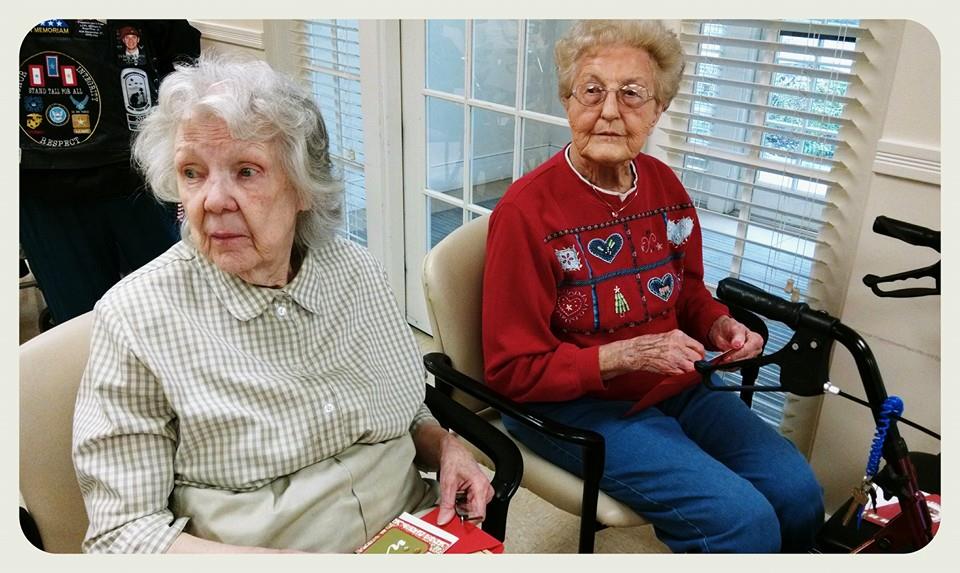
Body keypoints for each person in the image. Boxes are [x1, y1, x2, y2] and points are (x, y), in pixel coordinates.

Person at [72, 54, 492, 554]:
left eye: (246, 171)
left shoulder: (356, 271)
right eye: (192, 173)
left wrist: (446, 446)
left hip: (411, 531)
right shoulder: (136, 318)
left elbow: (401, 408)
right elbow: (124, 535)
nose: (213, 200)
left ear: (302, 188)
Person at [481, 20, 823, 553]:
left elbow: (685, 291)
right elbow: (510, 372)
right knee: (742, 521)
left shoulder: (664, 186)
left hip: (675, 386)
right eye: (592, 90)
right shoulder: (525, 215)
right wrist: (626, 356)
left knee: (798, 492)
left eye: (633, 94)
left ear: (659, 108)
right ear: (568, 102)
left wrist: (719, 323)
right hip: (574, 407)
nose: (611, 110)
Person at [19, 20, 199, 327]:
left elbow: (180, 61)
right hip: (41, 183)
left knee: (179, 311)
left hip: (138, 173)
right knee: (82, 328)